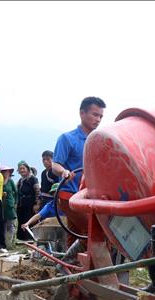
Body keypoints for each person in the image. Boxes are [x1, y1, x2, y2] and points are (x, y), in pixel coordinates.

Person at [52, 96, 106, 248]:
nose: (98, 119)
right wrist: (64, 172)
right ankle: (99, 270)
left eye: (101, 116)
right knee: (95, 232)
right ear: (82, 113)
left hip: (88, 198)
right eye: (95, 115)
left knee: (74, 232)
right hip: (69, 196)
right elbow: (55, 164)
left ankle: (66, 267)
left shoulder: (99, 141)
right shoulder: (67, 138)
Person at [16, 161, 39, 241]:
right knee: (21, 220)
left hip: (30, 204)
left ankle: (30, 238)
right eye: (20, 169)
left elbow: (37, 192)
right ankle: (22, 239)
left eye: (23, 168)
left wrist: (36, 204)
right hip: (21, 204)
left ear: (27, 169)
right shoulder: (20, 181)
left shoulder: (33, 179)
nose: (22, 170)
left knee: (29, 220)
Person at [1, 165, 18, 249]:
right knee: (3, 224)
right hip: (1, 205)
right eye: (3, 171)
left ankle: (10, 243)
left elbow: (16, 192)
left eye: (7, 172)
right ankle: (4, 243)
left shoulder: (11, 182)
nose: (5, 173)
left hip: (10, 205)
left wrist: (15, 202)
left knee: (10, 224)